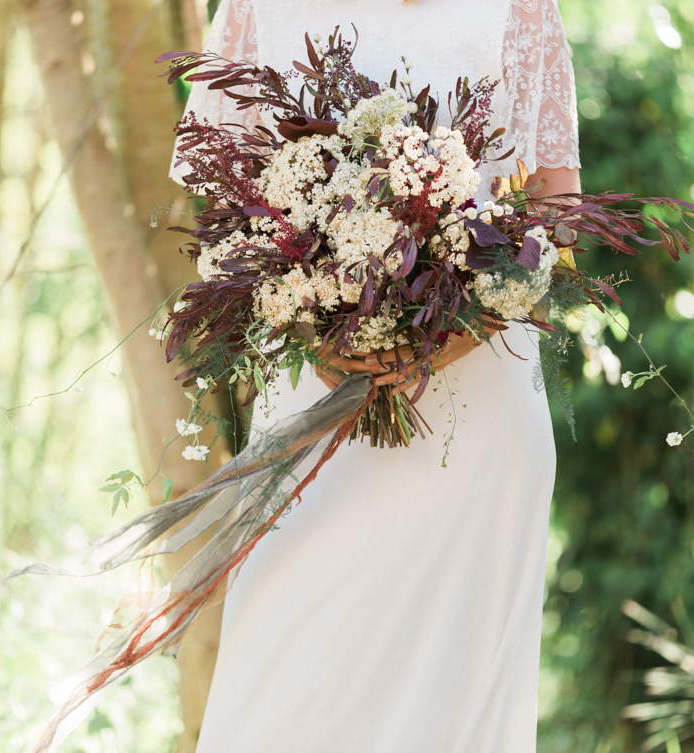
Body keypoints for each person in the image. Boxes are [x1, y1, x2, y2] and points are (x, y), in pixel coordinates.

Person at [171, 0, 581, 749]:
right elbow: (223, 201)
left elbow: (558, 210)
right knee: (279, 687)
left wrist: (461, 327)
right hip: (312, 400)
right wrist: (312, 317)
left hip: (478, 417)